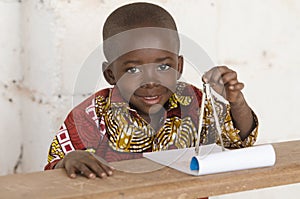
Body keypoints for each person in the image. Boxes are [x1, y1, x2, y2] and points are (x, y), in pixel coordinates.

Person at [45, 2, 258, 185]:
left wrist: (235, 101)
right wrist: (69, 160)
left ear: (179, 66)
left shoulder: (193, 102)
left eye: (164, 67)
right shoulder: (93, 114)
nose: (150, 81)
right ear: (111, 74)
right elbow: (57, 165)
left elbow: (238, 142)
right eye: (133, 70)